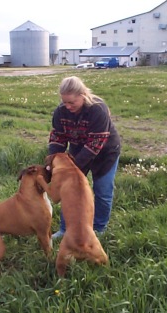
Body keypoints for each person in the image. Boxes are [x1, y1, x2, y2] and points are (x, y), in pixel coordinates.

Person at [47, 76, 121, 238]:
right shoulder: (61, 112)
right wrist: (52, 162)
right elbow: (58, 138)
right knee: (70, 190)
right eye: (65, 102)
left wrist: (71, 167)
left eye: (72, 102)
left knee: (102, 190)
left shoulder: (97, 110)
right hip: (79, 149)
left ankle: (98, 229)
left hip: (105, 152)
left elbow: (94, 145)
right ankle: (65, 229)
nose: (68, 106)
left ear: (82, 95)